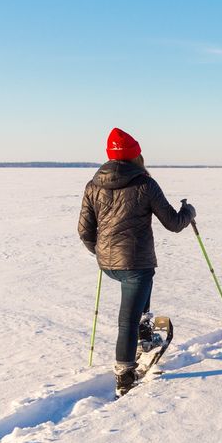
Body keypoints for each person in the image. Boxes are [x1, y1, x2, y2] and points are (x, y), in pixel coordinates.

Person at [78, 127, 196, 395]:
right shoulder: (145, 184)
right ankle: (124, 375)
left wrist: (100, 251)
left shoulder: (93, 185)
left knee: (140, 294)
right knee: (127, 320)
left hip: (108, 264)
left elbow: (84, 230)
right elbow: (174, 223)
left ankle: (145, 338)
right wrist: (188, 211)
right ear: (136, 156)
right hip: (135, 265)